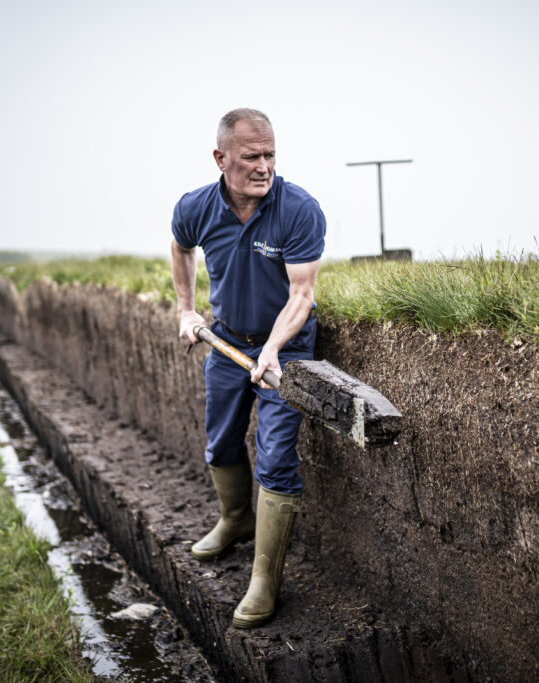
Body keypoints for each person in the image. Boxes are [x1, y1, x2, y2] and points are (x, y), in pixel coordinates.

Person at [170, 108, 325, 629]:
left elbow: (302, 295)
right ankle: (235, 519)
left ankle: (265, 579)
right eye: (251, 157)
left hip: (288, 351)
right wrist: (187, 310)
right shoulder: (196, 207)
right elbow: (180, 246)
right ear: (221, 158)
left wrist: (274, 348)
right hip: (227, 341)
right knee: (220, 443)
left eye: (270, 155)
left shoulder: (298, 209)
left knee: (277, 459)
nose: (264, 167)